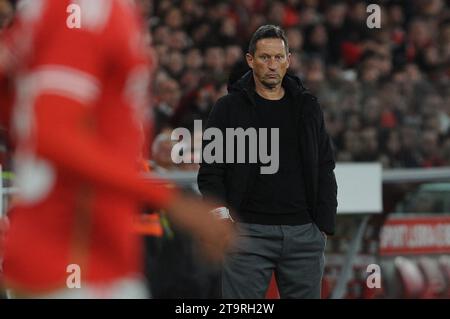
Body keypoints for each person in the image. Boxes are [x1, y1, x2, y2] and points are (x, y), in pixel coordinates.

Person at [0, 0, 233, 298]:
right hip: (73, 256)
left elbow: (15, 99)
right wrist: (172, 201)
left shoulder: (53, 9)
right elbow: (51, 133)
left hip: (93, 250)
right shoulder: (83, 11)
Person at [198, 25, 337, 299]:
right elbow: (210, 172)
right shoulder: (227, 108)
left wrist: (323, 223)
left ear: (288, 59)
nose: (272, 65)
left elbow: (324, 165)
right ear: (250, 60)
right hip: (246, 234)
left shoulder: (308, 106)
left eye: (278, 57)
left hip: (304, 235)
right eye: (264, 57)